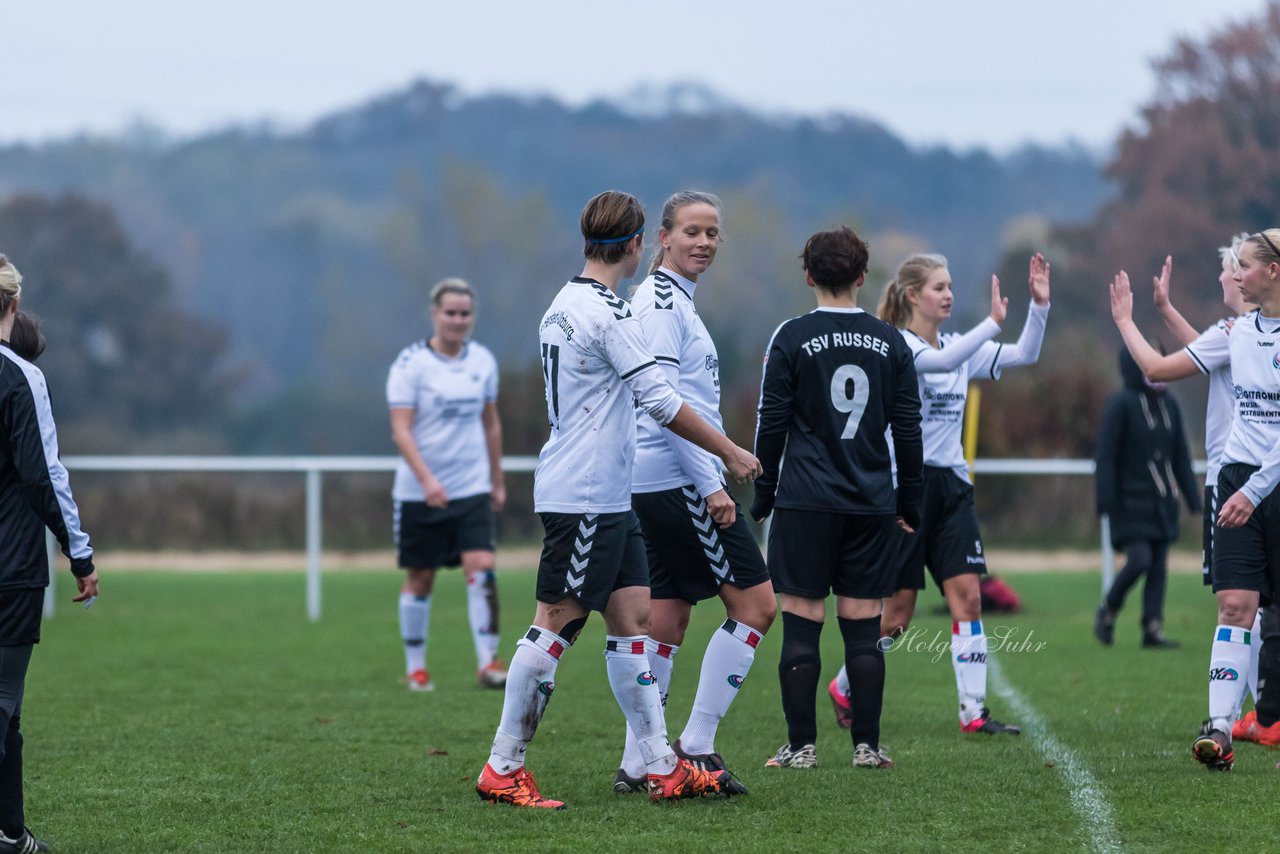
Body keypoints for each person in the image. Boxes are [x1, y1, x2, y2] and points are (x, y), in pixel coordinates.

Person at [475, 191, 762, 809]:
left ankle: (660, 764)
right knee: (553, 624)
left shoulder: (564, 301)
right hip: (584, 494)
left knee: (633, 621)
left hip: (611, 495)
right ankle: (503, 765)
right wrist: (730, 453)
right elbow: (661, 400)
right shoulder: (607, 313)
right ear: (637, 245)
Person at [829, 251, 1050, 737]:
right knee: (899, 615)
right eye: (938, 287)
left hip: (952, 487)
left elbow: (1026, 354)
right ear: (912, 295)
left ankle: (974, 713)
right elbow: (944, 361)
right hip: (905, 488)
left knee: (968, 598)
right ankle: (845, 684)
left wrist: (1039, 306)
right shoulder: (901, 346)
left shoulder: (957, 344)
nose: (948, 294)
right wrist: (992, 322)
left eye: (951, 286)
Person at [613, 191, 775, 795]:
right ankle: (696, 746)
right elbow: (662, 407)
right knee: (757, 607)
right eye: (691, 231)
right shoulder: (659, 304)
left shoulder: (674, 299)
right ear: (663, 236)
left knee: (667, 620)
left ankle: (638, 764)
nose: (704, 242)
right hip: (680, 479)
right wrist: (711, 482)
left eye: (712, 233)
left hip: (658, 481)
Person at [751, 226, 924, 770]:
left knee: (801, 622)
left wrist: (764, 491)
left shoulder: (790, 336)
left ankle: (801, 747)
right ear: (861, 276)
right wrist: (909, 500)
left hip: (804, 502)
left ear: (808, 275)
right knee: (863, 626)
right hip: (870, 502)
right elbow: (909, 430)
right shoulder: (891, 341)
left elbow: (771, 422)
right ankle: (867, 747)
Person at [1113, 231, 1280, 769]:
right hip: (1235, 484)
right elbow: (1163, 368)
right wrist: (1127, 320)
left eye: (1244, 266)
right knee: (1235, 606)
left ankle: (1269, 717)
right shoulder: (1235, 331)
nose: (1234, 274)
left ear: (1272, 273)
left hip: (1268, 487)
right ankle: (1220, 730)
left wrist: (1256, 491)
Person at [0, 254, 99, 854]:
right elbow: (44, 477)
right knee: (3, 704)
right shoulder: (20, 378)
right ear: (14, 305)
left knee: (8, 718)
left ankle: (11, 834)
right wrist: (80, 554)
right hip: (9, 567)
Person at [386, 278, 507, 692]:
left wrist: (497, 479)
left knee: (483, 568)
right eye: (450, 312)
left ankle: (489, 662)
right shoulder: (410, 365)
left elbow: (490, 424)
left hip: (471, 487)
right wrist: (427, 480)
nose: (458, 320)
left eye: (465, 313)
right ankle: (417, 667)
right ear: (435, 314)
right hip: (420, 493)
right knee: (421, 577)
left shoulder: (483, 363)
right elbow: (401, 431)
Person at [1093, 346, 1200, 648]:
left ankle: (1152, 628)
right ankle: (1109, 609)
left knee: (1158, 566)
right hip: (1129, 502)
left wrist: (1193, 498)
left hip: (1162, 501)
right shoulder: (1121, 404)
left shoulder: (1170, 405)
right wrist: (1105, 500)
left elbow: (1180, 455)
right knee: (1139, 560)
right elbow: (1106, 456)